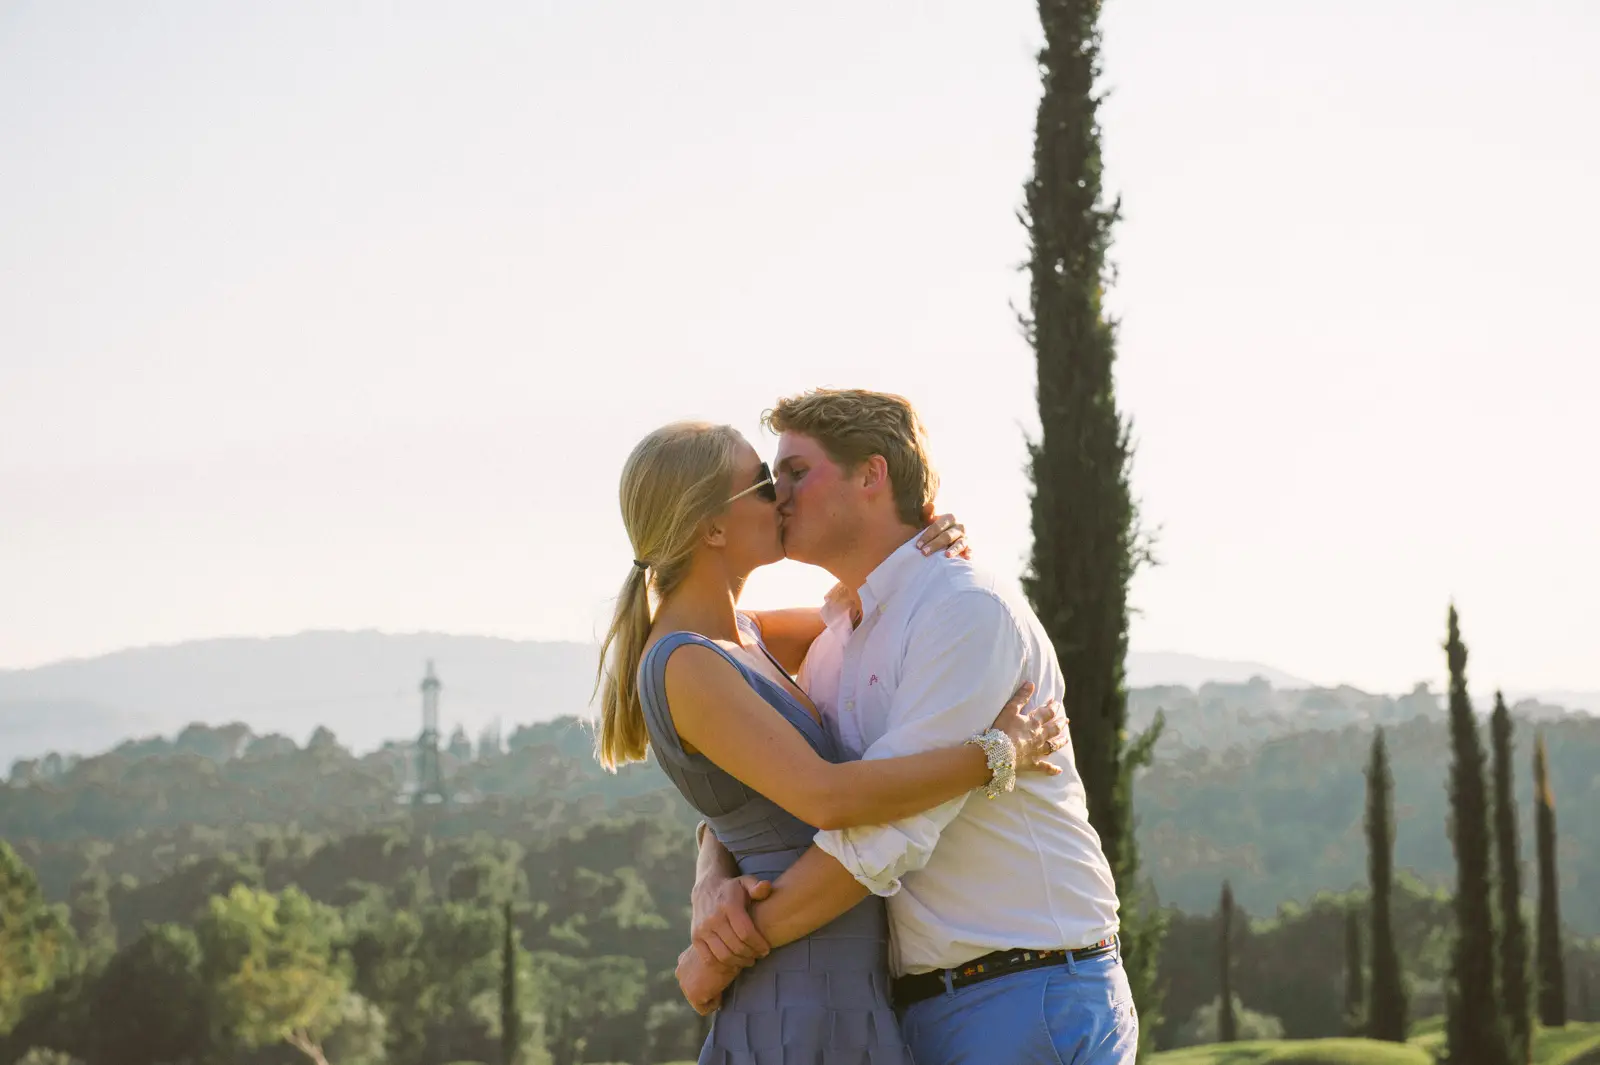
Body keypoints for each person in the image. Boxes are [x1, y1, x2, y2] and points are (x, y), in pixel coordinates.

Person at [681, 389, 1137, 1065]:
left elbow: (885, 831)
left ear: (872, 473)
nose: (779, 497)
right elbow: (766, 773)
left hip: (1025, 990)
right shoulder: (833, 645)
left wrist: (721, 953)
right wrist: (711, 870)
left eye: (797, 473)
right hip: (910, 1007)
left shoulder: (963, 609)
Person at [595, 419, 1069, 1065]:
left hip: (841, 971)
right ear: (712, 528)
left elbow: (868, 610)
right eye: (765, 484)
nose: (784, 498)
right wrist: (996, 755)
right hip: (799, 983)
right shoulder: (687, 662)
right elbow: (828, 798)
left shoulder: (744, 635)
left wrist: (919, 548)